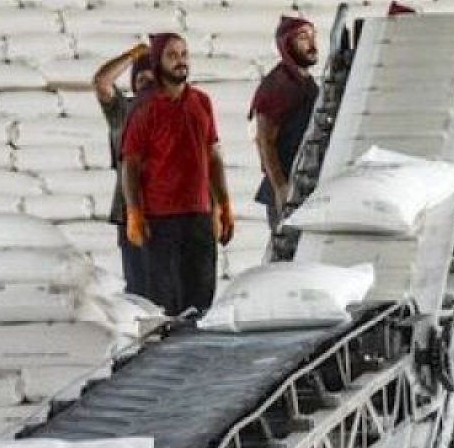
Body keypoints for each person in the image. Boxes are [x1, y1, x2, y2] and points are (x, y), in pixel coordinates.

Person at [121, 32, 235, 317]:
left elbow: (213, 156)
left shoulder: (202, 102)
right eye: (172, 55)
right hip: (161, 219)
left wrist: (224, 205)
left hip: (198, 214)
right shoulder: (145, 108)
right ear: (158, 62)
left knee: (201, 298)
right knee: (166, 301)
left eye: (184, 54)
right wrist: (135, 212)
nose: (180, 61)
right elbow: (130, 165)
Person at [92, 42, 155, 296]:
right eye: (141, 78)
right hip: (132, 211)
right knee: (140, 286)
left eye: (153, 79)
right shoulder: (122, 111)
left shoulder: (180, 110)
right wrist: (133, 55)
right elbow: (101, 82)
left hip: (174, 211)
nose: (147, 84)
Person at [249, 16, 319, 230]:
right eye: (303, 37)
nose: (312, 44)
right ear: (287, 44)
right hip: (287, 185)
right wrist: (280, 186)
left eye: (313, 35)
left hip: (303, 180)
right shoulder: (279, 84)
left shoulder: (305, 81)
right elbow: (264, 141)